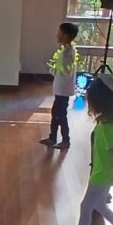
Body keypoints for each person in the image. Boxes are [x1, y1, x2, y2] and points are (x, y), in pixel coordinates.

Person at [59, 79, 113, 225]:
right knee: (98, 204)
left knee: (86, 207)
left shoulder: (107, 126)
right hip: (104, 171)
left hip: (102, 174)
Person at [40, 22, 79, 150]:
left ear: (66, 36)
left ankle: (66, 140)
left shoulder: (68, 53)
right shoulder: (66, 50)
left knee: (60, 115)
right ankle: (52, 138)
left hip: (63, 90)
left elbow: (64, 72)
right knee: (55, 113)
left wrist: (51, 69)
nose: (57, 35)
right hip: (61, 89)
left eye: (59, 33)